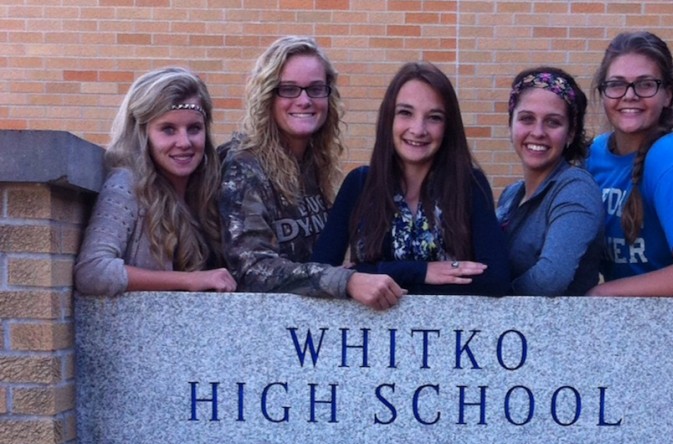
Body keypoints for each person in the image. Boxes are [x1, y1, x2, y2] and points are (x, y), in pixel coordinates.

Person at [219, 36, 404, 310]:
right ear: (268, 95)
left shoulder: (313, 163)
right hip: (259, 331)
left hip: (303, 326)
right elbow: (252, 269)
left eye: (316, 89)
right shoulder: (244, 165)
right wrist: (343, 281)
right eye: (289, 89)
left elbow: (312, 262)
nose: (304, 100)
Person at [311, 62, 511, 296]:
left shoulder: (469, 185)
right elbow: (319, 273)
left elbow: (496, 280)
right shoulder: (359, 184)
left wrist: (372, 272)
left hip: (448, 330)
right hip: (372, 329)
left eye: (434, 117)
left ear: (448, 127)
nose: (418, 129)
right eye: (405, 113)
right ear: (389, 118)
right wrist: (423, 271)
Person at [74, 67, 235, 295]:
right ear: (143, 135)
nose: (184, 142)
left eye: (194, 128)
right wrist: (188, 280)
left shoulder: (208, 189)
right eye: (168, 129)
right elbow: (92, 271)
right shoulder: (126, 185)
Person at [585, 31, 673, 297]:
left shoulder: (671, 157)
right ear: (603, 93)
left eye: (645, 84)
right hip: (623, 320)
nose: (629, 95)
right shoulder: (594, 155)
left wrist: (600, 295)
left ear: (667, 94)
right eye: (616, 84)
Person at [496, 67, 603, 296]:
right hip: (515, 329)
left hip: (562, 329)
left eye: (553, 122)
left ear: (571, 133)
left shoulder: (575, 189)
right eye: (526, 119)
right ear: (511, 124)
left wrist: (493, 299)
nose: (538, 132)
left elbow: (550, 279)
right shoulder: (510, 195)